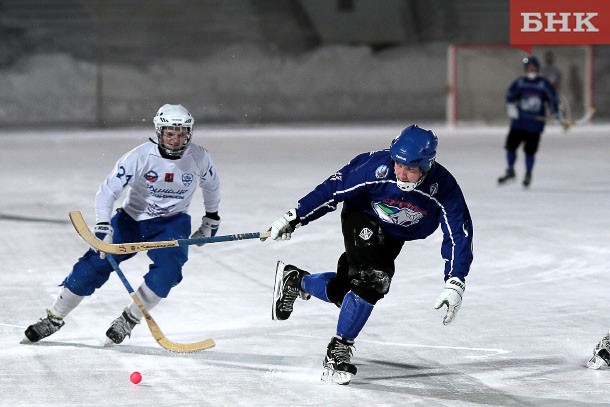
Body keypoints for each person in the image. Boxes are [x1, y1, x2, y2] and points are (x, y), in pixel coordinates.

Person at [266, 124, 473, 385]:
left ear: (427, 166)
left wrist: (455, 280)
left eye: (410, 169)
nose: (401, 173)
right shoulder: (376, 167)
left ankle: (296, 280)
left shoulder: (444, 188)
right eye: (398, 164)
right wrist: (295, 217)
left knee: (349, 291)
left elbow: (459, 233)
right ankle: (338, 351)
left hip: (395, 235)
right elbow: (333, 189)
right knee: (373, 280)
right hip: (363, 217)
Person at [23, 104, 221, 345]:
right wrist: (104, 225)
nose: (175, 139)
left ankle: (128, 319)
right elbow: (108, 190)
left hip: (172, 224)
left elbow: (211, 186)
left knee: (168, 273)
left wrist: (211, 218)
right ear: (159, 132)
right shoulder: (139, 156)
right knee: (94, 265)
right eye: (170, 133)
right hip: (131, 221)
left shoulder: (199, 157)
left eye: (181, 133)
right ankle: (54, 318)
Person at [498, 55, 565, 188]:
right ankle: (510, 170)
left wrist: (555, 113)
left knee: (530, 151)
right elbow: (510, 95)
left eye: (534, 67)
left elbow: (552, 99)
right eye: (529, 67)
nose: (532, 69)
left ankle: (528, 174)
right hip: (519, 123)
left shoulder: (544, 84)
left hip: (535, 126)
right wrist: (510, 107)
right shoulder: (520, 82)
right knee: (511, 147)